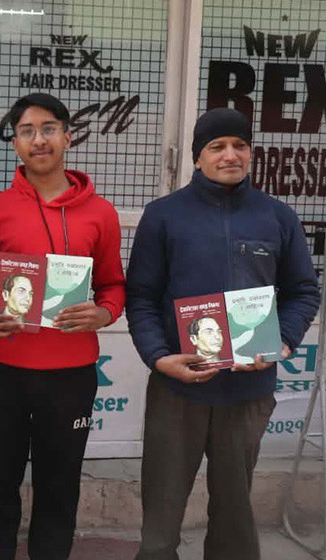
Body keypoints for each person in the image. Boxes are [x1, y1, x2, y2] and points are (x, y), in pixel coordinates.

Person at [126, 107, 319, 560]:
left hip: (248, 391)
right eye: (217, 146)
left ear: (250, 152)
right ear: (198, 157)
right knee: (161, 515)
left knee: (234, 513)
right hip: (178, 390)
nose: (230, 155)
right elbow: (141, 297)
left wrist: (282, 341)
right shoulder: (163, 216)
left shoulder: (277, 217)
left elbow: (304, 291)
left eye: (239, 145)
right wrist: (159, 357)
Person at [0, 93, 125, 560]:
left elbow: (113, 284)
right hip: (1, 371)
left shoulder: (101, 213)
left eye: (49, 128)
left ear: (68, 137)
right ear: (15, 144)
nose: (39, 139)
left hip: (71, 375)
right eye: (26, 131)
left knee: (60, 482)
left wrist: (104, 313)